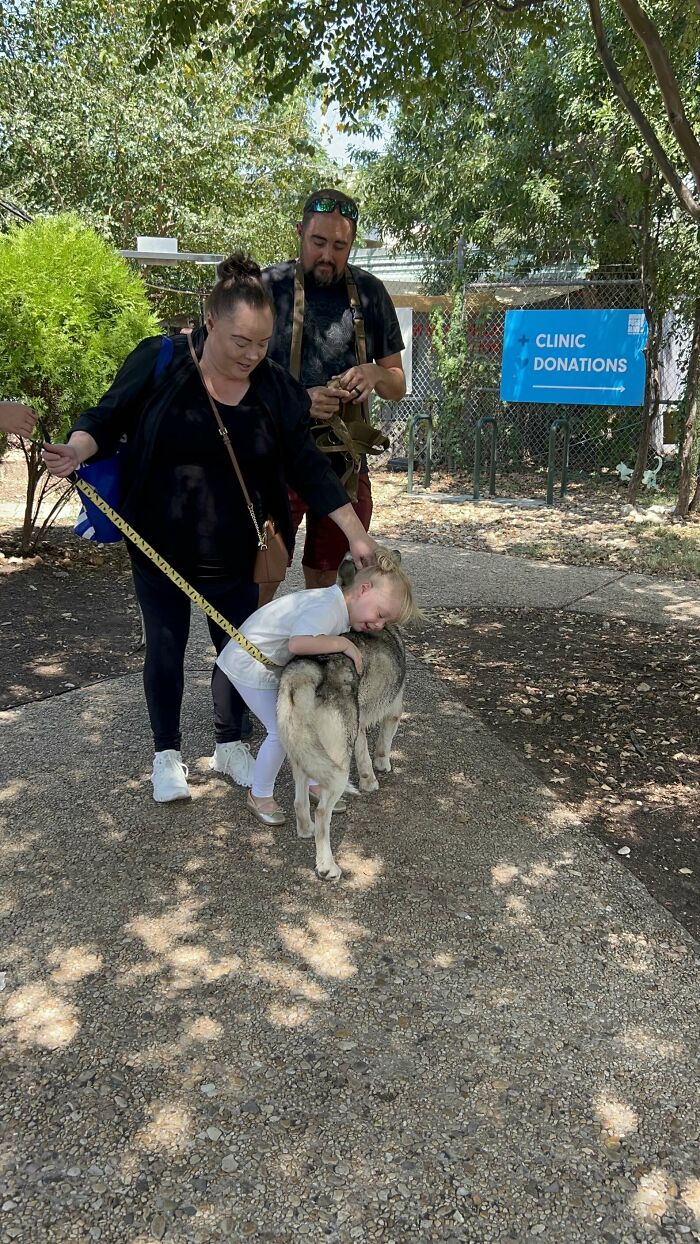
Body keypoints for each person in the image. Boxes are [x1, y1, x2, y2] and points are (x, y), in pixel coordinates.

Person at [42, 254, 377, 805]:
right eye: (240, 340)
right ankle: (166, 754)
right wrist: (76, 449)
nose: (250, 354)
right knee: (166, 646)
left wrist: (354, 531)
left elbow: (307, 467)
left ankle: (229, 745)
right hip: (160, 545)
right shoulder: (162, 360)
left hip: (240, 550)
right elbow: (106, 417)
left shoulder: (275, 388)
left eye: (262, 343)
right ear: (210, 320)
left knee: (240, 651)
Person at [262, 188, 406, 596]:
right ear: (299, 233)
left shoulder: (370, 293)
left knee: (326, 575)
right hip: (277, 456)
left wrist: (373, 373)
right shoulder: (268, 288)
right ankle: (244, 656)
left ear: (352, 244)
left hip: (341, 462)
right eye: (318, 242)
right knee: (264, 571)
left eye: (340, 246)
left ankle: (314, 653)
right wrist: (300, 398)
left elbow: (397, 384)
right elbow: (237, 378)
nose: (328, 255)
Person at [215, 548, 418, 825]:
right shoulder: (328, 609)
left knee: (305, 722)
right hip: (249, 664)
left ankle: (313, 781)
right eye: (380, 613)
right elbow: (298, 643)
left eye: (385, 622)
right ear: (363, 590)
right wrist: (343, 644)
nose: (378, 625)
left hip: (265, 661)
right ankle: (259, 795)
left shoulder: (337, 606)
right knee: (281, 731)